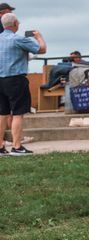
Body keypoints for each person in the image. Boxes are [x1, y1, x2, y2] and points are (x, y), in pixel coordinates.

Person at [0, 13, 45, 155]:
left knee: (2, 114)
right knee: (18, 113)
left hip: (0, 80)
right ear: (14, 24)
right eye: (18, 22)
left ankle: (1, 147)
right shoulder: (18, 39)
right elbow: (42, 49)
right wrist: (38, 37)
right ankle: (17, 146)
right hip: (16, 79)